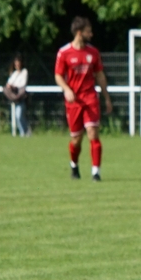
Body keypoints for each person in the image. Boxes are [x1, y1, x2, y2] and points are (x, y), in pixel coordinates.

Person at [55, 17, 113, 181]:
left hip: (90, 98)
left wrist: (107, 97)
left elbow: (100, 75)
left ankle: (96, 172)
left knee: (93, 134)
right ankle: (74, 165)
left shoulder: (93, 53)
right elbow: (58, 76)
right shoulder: (64, 52)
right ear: (79, 33)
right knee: (76, 139)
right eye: (88, 31)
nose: (91, 34)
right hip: (74, 102)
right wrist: (67, 90)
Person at [4, 54, 30, 137]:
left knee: (19, 115)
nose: (17, 65)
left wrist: (14, 86)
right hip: (15, 97)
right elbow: (9, 83)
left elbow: (22, 84)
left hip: (21, 97)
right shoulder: (14, 73)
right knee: (19, 116)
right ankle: (26, 132)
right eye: (16, 63)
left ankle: (24, 132)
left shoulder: (24, 72)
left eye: (18, 63)